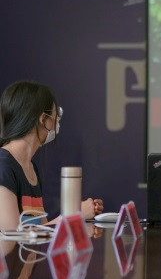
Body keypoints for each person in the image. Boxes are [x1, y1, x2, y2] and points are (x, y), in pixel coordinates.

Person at [0, 80, 103, 231]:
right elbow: (13, 236)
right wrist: (74, 215)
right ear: (43, 119)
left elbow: (42, 229)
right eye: (56, 115)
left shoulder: (30, 167)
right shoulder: (3, 165)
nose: (57, 122)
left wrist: (75, 216)